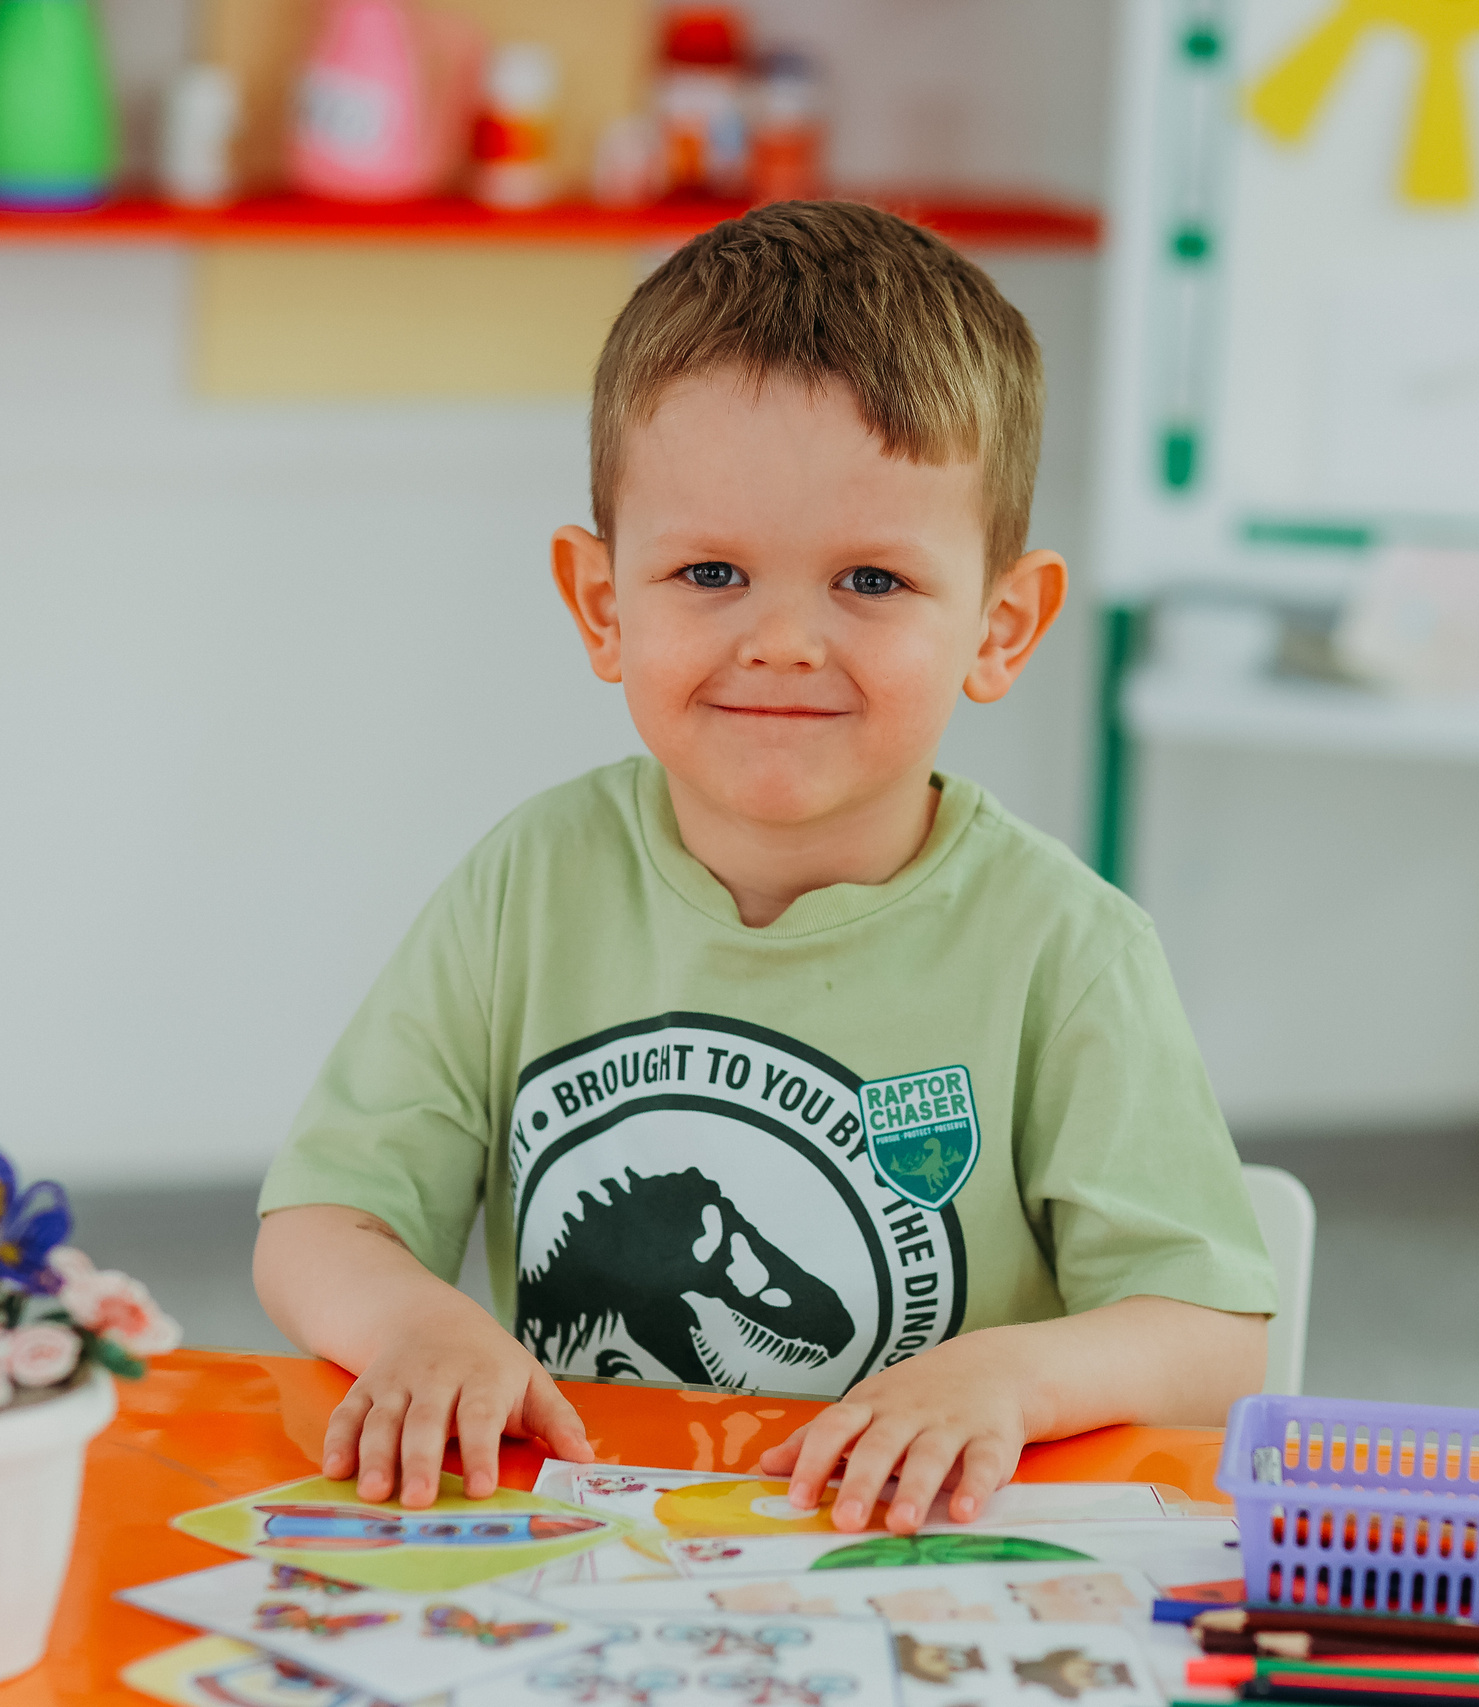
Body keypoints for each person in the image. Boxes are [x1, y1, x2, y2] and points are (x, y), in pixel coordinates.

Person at [253, 200, 1277, 1536]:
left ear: (1001, 623)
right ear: (603, 605)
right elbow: (322, 1221)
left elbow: (1215, 1336)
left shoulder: (1066, 949)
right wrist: (413, 1327)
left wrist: (1011, 1376)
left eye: (869, 580)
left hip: (913, 1572)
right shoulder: (529, 883)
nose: (784, 640)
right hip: (581, 1556)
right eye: (713, 571)